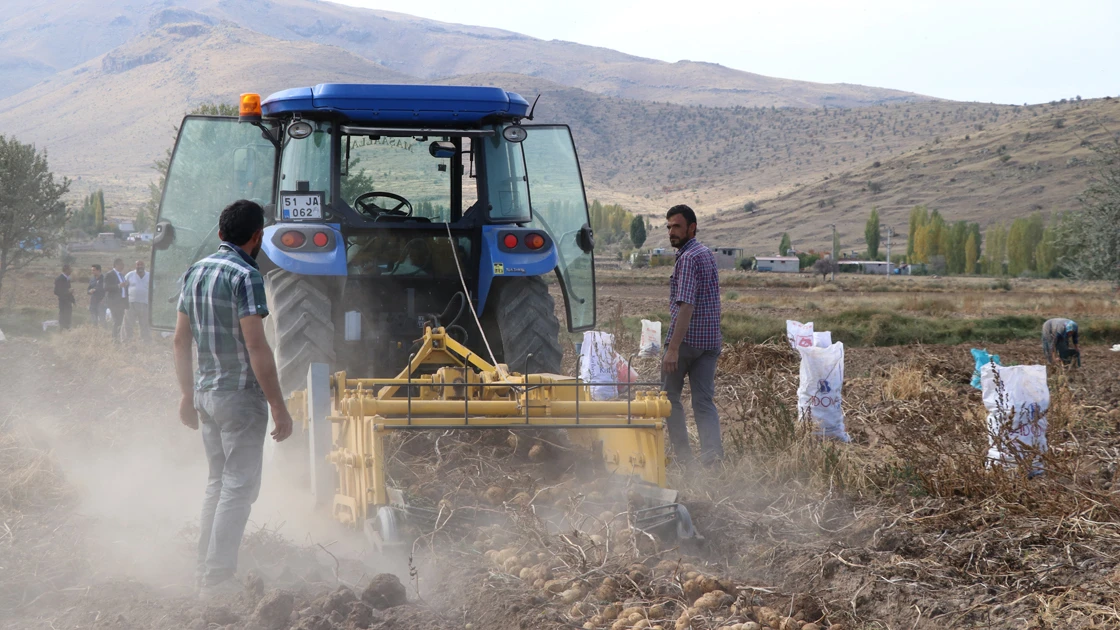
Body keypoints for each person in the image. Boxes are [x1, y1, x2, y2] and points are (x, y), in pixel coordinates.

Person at [173, 199, 293, 599]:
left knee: (216, 483)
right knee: (239, 488)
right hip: (239, 397)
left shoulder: (195, 271)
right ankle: (217, 579)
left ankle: (202, 570)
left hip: (206, 395)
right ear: (257, 237)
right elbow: (257, 347)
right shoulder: (246, 275)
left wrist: (187, 395)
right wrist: (278, 404)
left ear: (221, 233)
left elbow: (180, 340)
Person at [661, 204, 723, 465]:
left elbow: (686, 305)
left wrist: (673, 348)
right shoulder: (705, 253)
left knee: (668, 398)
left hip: (686, 343)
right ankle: (713, 461)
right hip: (710, 343)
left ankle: (684, 460)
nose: (671, 232)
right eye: (669, 227)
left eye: (676, 226)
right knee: (704, 402)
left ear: (692, 228)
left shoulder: (687, 258)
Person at [122, 260, 151, 342]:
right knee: (128, 323)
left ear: (144, 266)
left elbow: (153, 288)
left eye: (141, 264)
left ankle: (146, 341)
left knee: (145, 323)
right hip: (131, 303)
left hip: (145, 303)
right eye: (138, 265)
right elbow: (124, 287)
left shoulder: (149, 275)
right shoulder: (130, 275)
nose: (140, 266)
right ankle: (126, 341)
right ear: (136, 266)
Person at [105, 258, 128, 343]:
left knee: (121, 321)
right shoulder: (110, 274)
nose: (123, 266)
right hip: (114, 302)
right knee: (117, 321)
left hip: (121, 302)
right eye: (121, 264)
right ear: (116, 265)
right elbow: (106, 287)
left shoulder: (121, 275)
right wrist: (118, 286)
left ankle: (119, 337)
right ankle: (115, 340)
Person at [54, 264, 76, 330]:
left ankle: (67, 331)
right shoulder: (59, 279)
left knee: (68, 317)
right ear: (66, 270)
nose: (71, 271)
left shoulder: (67, 279)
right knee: (63, 318)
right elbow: (56, 291)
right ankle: (62, 332)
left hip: (68, 302)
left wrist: (73, 300)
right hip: (63, 302)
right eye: (70, 269)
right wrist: (67, 291)